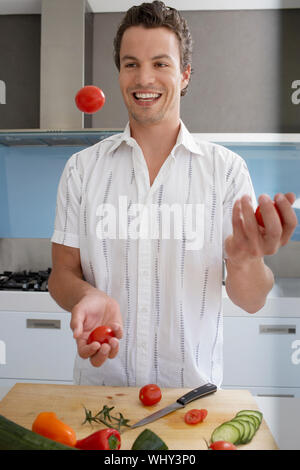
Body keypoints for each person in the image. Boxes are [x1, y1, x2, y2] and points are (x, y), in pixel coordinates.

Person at [48, 1, 297, 388]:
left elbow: (251, 300)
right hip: (100, 397)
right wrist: (86, 295)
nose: (144, 78)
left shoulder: (226, 171)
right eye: (131, 64)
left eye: (161, 64)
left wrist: (246, 260)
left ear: (184, 75)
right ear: (119, 74)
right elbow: (62, 275)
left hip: (191, 400)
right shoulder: (82, 169)